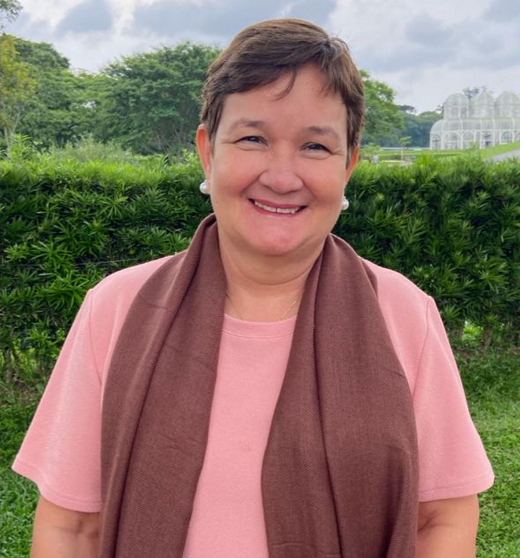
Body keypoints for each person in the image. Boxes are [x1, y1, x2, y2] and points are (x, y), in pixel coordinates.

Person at [13, 19, 493, 558]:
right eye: (253, 139)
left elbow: (442, 519)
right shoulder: (119, 307)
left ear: (349, 165)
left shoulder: (402, 312)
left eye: (315, 146)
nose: (282, 176)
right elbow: (71, 529)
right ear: (207, 151)